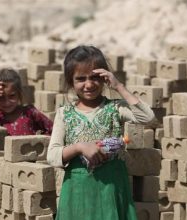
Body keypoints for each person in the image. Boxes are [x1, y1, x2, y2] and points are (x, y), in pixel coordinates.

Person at [47, 45, 155, 220]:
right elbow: (52, 155)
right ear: (71, 82)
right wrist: (79, 147)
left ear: (105, 79)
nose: (89, 84)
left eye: (95, 78)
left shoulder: (115, 108)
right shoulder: (64, 114)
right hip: (78, 191)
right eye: (81, 79)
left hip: (111, 188)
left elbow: (147, 117)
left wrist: (119, 86)